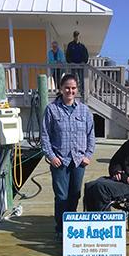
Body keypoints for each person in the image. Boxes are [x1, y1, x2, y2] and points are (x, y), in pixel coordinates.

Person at [41, 74, 95, 240]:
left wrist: (88, 155)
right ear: (61, 89)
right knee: (61, 196)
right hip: (60, 161)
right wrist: (51, 156)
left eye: (73, 88)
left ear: (77, 89)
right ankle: (61, 228)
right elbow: (44, 135)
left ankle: (72, 225)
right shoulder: (51, 109)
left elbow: (91, 134)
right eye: (67, 88)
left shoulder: (84, 110)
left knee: (75, 194)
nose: (70, 91)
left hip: (79, 161)